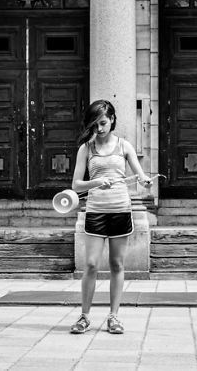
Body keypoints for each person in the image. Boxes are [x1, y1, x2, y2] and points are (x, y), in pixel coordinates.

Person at [68, 100, 151, 335]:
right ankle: (84, 316)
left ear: (112, 119)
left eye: (103, 123)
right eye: (95, 125)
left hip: (120, 210)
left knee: (117, 264)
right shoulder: (86, 148)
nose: (99, 129)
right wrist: (96, 182)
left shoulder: (124, 146)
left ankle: (114, 316)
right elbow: (76, 185)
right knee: (92, 264)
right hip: (95, 210)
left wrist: (145, 180)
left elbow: (140, 174)